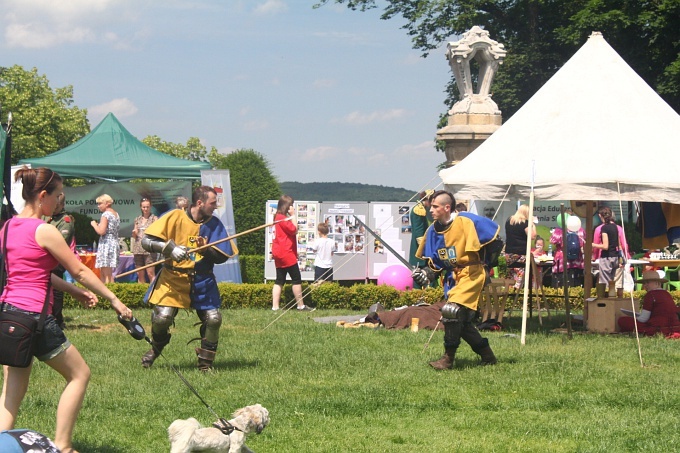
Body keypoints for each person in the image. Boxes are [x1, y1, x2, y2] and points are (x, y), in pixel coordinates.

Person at [0, 166, 132, 453]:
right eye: (58, 196)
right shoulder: (45, 230)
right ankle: (64, 445)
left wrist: (73, 291)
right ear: (43, 195)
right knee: (79, 374)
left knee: (12, 390)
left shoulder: (8, 227)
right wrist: (114, 300)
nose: (60, 202)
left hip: (9, 314)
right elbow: (80, 271)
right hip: (36, 318)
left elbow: (35, 272)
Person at [139, 186, 238, 371]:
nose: (215, 207)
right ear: (199, 203)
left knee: (214, 319)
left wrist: (205, 250)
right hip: (173, 278)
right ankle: (155, 348)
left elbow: (223, 256)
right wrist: (169, 249)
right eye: (212, 203)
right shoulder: (175, 216)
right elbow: (145, 241)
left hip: (202, 280)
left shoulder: (214, 224)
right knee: (162, 318)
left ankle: (205, 364)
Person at [411, 190, 500, 369]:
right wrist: (427, 273)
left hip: (472, 273)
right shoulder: (434, 230)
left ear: (446, 207)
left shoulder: (467, 221)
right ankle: (487, 355)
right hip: (454, 277)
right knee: (461, 319)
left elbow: (496, 242)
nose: (431, 210)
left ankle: (448, 359)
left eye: (435, 207)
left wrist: (488, 263)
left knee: (451, 311)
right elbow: (437, 262)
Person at [271, 195, 312, 311]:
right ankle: (300, 305)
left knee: (279, 280)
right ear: (287, 206)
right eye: (291, 205)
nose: (292, 207)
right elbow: (294, 230)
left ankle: (275, 307)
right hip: (286, 252)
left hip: (278, 252)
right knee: (296, 279)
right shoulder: (282, 218)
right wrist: (293, 215)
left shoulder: (277, 217)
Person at [46, 192, 78, 328]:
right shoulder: (47, 217)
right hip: (45, 259)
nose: (54, 208)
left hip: (57, 261)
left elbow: (60, 241)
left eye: (57, 205)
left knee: (57, 291)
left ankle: (58, 320)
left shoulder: (65, 221)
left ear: (63, 205)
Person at [618, 270, 680, 336]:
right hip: (675, 327)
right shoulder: (667, 293)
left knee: (622, 320)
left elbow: (643, 319)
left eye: (647, 283)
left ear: (657, 283)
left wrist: (635, 317)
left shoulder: (650, 295)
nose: (645, 285)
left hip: (657, 327)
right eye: (644, 283)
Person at [592, 208, 630, 298]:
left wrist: (593, 244)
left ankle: (606, 303)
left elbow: (605, 246)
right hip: (616, 257)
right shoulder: (616, 227)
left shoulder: (603, 228)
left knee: (605, 283)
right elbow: (620, 244)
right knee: (614, 282)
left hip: (607, 258)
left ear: (601, 216)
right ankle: (615, 301)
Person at [503, 204, 536, 289]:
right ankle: (517, 293)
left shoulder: (509, 220)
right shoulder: (525, 223)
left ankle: (508, 292)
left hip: (509, 253)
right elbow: (532, 236)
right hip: (521, 253)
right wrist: (532, 224)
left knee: (510, 275)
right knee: (520, 277)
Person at [549, 215, 586, 287]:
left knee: (561, 284)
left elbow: (552, 241)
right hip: (577, 260)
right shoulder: (581, 230)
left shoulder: (559, 231)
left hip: (562, 261)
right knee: (576, 283)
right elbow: (583, 242)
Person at [90, 194, 120, 284]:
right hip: (114, 242)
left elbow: (101, 231)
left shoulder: (106, 214)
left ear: (107, 203)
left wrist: (94, 224)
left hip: (106, 244)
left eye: (100, 203)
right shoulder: (116, 214)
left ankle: (108, 293)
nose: (98, 206)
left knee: (106, 274)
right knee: (107, 272)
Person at [409, 190, 433, 289]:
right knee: (419, 277)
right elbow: (419, 235)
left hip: (422, 248)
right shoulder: (418, 210)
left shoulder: (421, 209)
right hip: (419, 251)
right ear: (427, 199)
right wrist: (425, 251)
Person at [131, 198, 159, 284]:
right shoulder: (137, 219)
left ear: (150, 207)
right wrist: (134, 232)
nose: (145, 209)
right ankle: (141, 293)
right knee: (140, 274)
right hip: (138, 249)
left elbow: (157, 233)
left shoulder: (154, 218)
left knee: (150, 273)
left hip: (149, 249)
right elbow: (134, 234)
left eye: (147, 207)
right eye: (143, 207)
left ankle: (152, 293)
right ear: (141, 207)